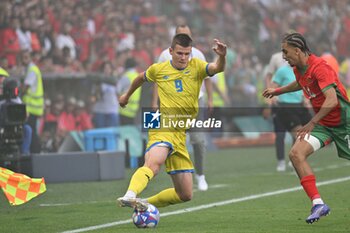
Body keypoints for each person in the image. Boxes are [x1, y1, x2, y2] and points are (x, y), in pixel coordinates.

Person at [117, 34, 226, 210]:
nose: (183, 57)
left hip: (180, 133)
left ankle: (144, 204)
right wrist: (126, 96)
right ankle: (130, 195)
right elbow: (139, 78)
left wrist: (222, 56)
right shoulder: (158, 69)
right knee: (153, 163)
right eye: (180, 53)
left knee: (185, 194)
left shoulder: (197, 67)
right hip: (162, 125)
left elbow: (217, 69)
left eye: (187, 54)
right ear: (171, 51)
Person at [262, 32, 350, 224]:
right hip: (325, 124)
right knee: (295, 154)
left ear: (298, 50)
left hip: (344, 123)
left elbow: (332, 99)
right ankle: (318, 204)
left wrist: (311, 122)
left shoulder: (320, 67)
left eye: (286, 52)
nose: (283, 56)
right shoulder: (298, 68)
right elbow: (300, 84)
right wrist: (277, 91)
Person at [152, 25, 213, 191]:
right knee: (171, 143)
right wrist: (154, 104)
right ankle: (179, 178)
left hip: (195, 103)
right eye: (181, 35)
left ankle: (200, 176)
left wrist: (210, 100)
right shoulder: (165, 55)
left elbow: (207, 76)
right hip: (171, 105)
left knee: (198, 140)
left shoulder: (198, 54)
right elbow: (156, 78)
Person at [270, 64, 312, 171]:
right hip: (285, 106)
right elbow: (273, 86)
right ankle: (282, 162)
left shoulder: (303, 70)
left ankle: (294, 159)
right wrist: (273, 99)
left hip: (299, 105)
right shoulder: (282, 71)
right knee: (281, 136)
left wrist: (306, 100)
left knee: (304, 134)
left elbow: (305, 88)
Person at [20, 50, 44, 154]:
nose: (23, 60)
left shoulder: (32, 69)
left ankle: (35, 152)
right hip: (32, 106)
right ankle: (35, 151)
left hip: (32, 107)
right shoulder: (27, 69)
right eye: (22, 57)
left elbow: (26, 87)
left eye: (26, 57)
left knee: (31, 131)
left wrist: (17, 92)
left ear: (30, 58)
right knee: (31, 130)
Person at [118, 58, 141, 125]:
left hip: (124, 110)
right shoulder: (138, 76)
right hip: (134, 110)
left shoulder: (126, 76)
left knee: (124, 132)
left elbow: (118, 90)